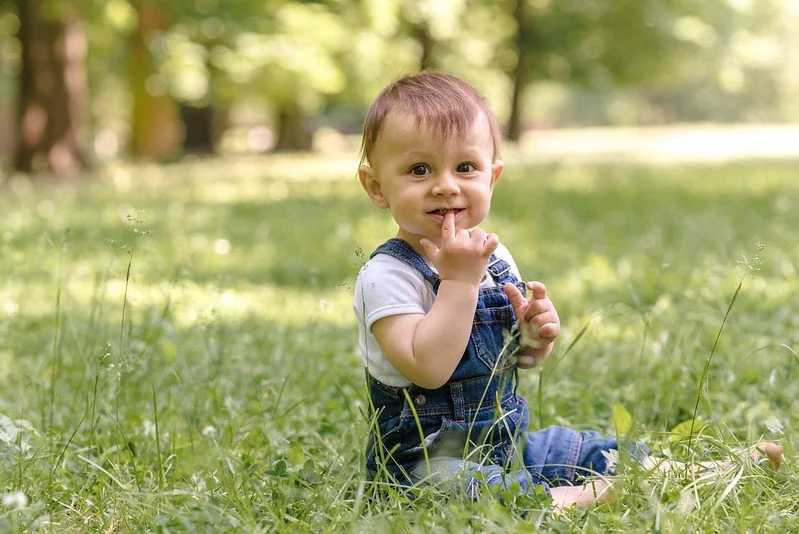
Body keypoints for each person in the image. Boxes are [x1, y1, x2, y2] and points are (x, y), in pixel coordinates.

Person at [352, 71, 783, 509]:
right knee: (474, 492)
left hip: (505, 446)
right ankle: (580, 498)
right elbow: (429, 369)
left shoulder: (493, 261)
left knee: (580, 449)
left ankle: (689, 473)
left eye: (465, 167)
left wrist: (533, 337)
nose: (446, 184)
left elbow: (515, 360)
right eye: (419, 169)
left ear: (492, 177)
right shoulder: (387, 276)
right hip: (423, 463)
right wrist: (459, 282)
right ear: (377, 186)